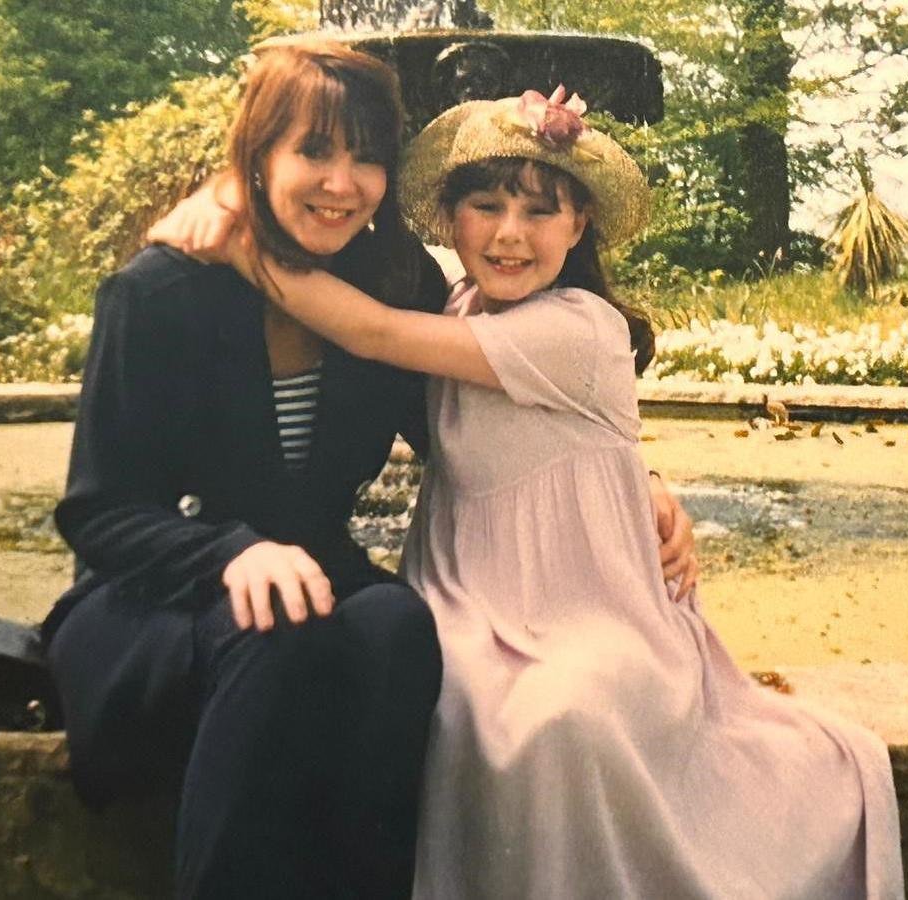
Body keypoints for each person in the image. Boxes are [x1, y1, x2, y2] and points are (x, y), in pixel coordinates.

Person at [213, 87, 907, 898]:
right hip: (468, 596)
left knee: (558, 716)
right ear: (450, 217)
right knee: (438, 691)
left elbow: (369, 330)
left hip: (592, 605)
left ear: (578, 227)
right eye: (486, 206)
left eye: (541, 212)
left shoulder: (578, 328)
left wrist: (238, 240)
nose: (510, 233)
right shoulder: (457, 304)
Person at [46, 43, 699, 900]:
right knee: (280, 633)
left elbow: (469, 428)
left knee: (394, 625)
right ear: (258, 156)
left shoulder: (394, 282)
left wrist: (636, 487)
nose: (341, 182)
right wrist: (229, 554)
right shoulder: (162, 291)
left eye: (366, 158)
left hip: (313, 579)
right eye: (314, 151)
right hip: (155, 597)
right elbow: (99, 512)